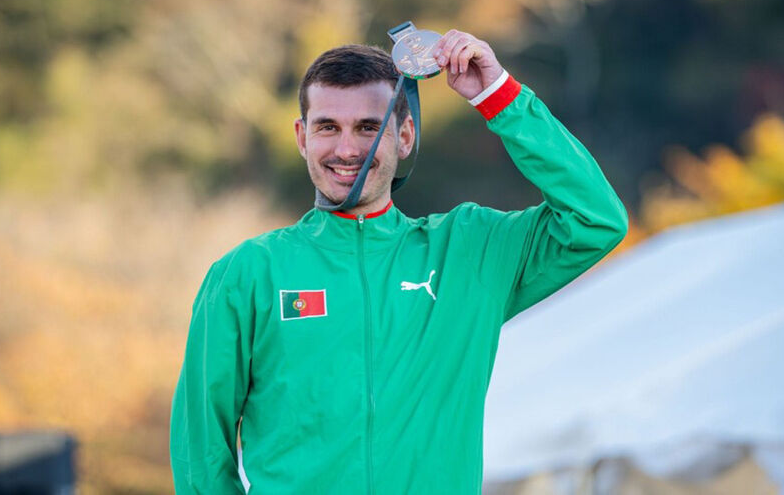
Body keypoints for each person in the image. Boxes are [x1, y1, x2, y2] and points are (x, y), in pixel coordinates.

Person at [169, 29, 628, 494]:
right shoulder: (248, 272)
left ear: (404, 136)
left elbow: (596, 220)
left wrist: (499, 95)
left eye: (369, 127)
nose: (347, 150)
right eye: (328, 126)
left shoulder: (470, 252)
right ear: (302, 137)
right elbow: (200, 449)